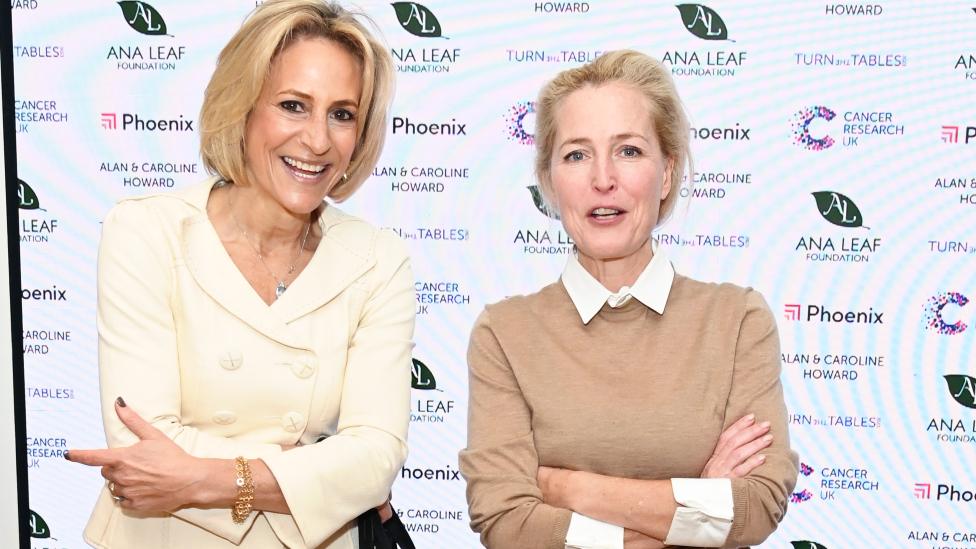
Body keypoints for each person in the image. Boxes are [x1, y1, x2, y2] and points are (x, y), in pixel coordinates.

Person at [65, 2, 413, 548]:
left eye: (342, 114)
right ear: (242, 107)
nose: (318, 140)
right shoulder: (147, 231)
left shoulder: (377, 258)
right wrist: (317, 475)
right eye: (294, 105)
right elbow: (142, 446)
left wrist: (201, 479)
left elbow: (375, 460)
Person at [459, 50, 798, 549]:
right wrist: (695, 504)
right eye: (577, 154)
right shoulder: (505, 333)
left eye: (629, 151)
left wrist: (569, 489)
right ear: (550, 180)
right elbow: (507, 522)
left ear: (666, 174)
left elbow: (757, 503)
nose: (602, 179)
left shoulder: (737, 320)